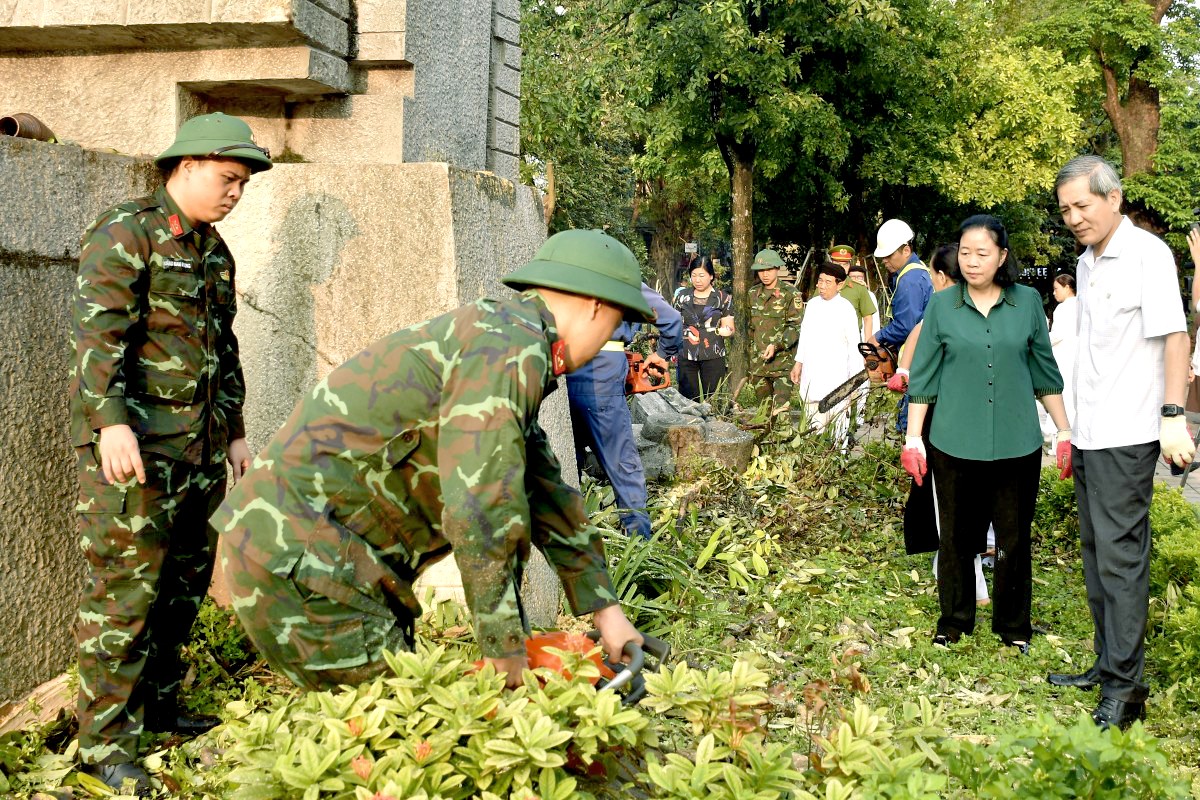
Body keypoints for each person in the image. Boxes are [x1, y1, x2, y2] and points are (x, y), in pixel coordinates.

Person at [212, 228, 650, 695]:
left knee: (406, 727)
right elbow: (480, 507)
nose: (610, 338)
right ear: (595, 306)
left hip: (310, 557)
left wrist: (607, 612)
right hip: (303, 563)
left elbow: (543, 488)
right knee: (402, 735)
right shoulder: (508, 350)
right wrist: (505, 653)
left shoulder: (503, 340)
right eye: (617, 324)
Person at [68, 113, 271, 794]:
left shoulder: (214, 250)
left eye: (242, 183)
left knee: (180, 590)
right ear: (186, 165)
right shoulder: (128, 232)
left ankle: (158, 708)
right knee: (123, 599)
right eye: (228, 178)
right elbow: (100, 339)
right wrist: (109, 425)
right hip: (139, 454)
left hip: (201, 453)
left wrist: (236, 430)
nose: (236, 193)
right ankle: (103, 746)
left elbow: (224, 352)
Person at [1047, 156, 1193, 731]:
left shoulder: (1147, 255)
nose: (1074, 217)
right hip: (1089, 429)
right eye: (1065, 210)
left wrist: (1174, 416)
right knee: (1095, 555)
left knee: (1121, 562)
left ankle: (1126, 689)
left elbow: (1175, 336)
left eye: (1083, 205)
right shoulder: (1086, 263)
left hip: (1129, 432)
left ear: (1114, 198)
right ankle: (1109, 664)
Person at [900, 215, 1071, 655]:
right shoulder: (942, 305)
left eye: (982, 252)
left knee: (1014, 539)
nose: (971, 261)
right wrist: (914, 438)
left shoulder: (1028, 302)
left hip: (1018, 443)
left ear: (1002, 257)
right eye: (965, 251)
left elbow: (1044, 371)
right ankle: (954, 620)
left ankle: (1014, 624)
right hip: (954, 442)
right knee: (956, 536)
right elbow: (924, 377)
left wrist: (1065, 431)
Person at [890, 244, 992, 607]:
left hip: (946, 418)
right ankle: (957, 569)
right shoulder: (982, 307)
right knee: (964, 499)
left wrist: (904, 374)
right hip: (975, 417)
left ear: (941, 277)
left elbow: (915, 349)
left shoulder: (944, 308)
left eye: (933, 274)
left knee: (951, 502)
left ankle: (970, 580)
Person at [567, 282, 682, 539]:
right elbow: (671, 320)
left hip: (557, 365)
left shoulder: (557, 270)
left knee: (563, 460)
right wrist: (663, 353)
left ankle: (572, 540)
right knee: (621, 462)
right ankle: (638, 545)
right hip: (602, 370)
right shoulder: (616, 273)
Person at [868, 219, 933, 433]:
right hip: (919, 360)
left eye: (889, 255)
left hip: (915, 362)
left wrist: (878, 337)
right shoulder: (915, 272)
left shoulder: (910, 280)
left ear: (906, 250)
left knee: (909, 426)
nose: (885, 260)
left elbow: (906, 326)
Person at [790, 263, 861, 449]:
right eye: (820, 281)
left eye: (828, 282)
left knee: (838, 430)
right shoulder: (812, 305)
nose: (822, 286)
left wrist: (855, 382)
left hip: (837, 377)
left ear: (840, 285)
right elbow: (804, 336)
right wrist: (798, 363)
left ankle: (838, 460)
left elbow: (854, 346)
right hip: (812, 373)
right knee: (813, 428)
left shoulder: (846, 309)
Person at [748, 248, 803, 413]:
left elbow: (796, 326)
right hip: (759, 365)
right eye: (761, 270)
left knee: (780, 415)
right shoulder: (752, 294)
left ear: (777, 269)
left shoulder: (790, 294)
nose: (765, 274)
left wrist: (777, 345)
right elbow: (751, 328)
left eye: (769, 269)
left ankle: (782, 439)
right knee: (763, 414)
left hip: (782, 364)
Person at [673, 256, 735, 401]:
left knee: (712, 398)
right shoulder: (681, 296)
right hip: (686, 353)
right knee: (687, 400)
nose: (697, 280)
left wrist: (726, 331)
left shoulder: (723, 298)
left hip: (713, 352)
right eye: (693, 275)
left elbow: (730, 326)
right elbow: (674, 322)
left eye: (701, 275)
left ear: (711, 276)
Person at [1039, 273, 1078, 441]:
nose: (1054, 293)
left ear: (1067, 287)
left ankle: (1057, 436)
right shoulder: (1080, 305)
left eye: (1056, 289)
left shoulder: (1064, 307)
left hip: (1064, 356)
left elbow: (1058, 335)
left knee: (1062, 396)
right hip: (1075, 356)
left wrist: (1039, 341)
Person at [830, 245, 874, 341]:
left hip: (852, 339)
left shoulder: (859, 288)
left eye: (845, 264)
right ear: (831, 263)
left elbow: (868, 318)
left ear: (849, 265)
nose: (840, 268)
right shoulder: (822, 287)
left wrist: (867, 345)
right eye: (837, 264)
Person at [847, 262, 880, 341]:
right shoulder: (844, 293)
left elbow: (874, 319)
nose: (856, 279)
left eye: (859, 277)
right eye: (853, 277)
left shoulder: (870, 295)